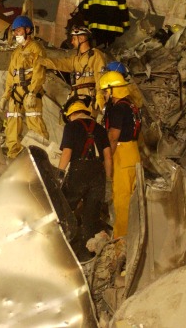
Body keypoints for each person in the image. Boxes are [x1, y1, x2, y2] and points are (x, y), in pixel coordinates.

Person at [58, 98, 112, 261]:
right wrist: (108, 180)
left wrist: (59, 173)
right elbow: (108, 157)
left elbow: (67, 153)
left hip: (78, 172)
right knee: (91, 217)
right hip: (98, 173)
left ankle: (62, 249)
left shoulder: (71, 127)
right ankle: (88, 256)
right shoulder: (101, 129)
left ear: (71, 114)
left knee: (64, 209)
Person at [98, 71, 142, 239]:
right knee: (133, 199)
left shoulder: (118, 109)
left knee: (122, 201)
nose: (104, 94)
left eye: (105, 91)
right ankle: (135, 235)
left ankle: (121, 240)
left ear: (113, 89)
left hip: (122, 156)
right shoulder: (131, 106)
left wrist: (106, 160)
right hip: (133, 153)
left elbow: (113, 137)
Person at [0, 15, 48, 159]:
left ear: (28, 30)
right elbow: (10, 75)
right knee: (12, 126)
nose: (16, 34)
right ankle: (13, 156)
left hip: (30, 92)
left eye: (19, 30)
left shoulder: (36, 49)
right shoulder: (16, 52)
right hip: (16, 93)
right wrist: (5, 96)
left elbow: (39, 72)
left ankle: (41, 156)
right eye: (15, 31)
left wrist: (33, 93)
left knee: (35, 124)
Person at [39, 26, 108, 114]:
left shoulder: (96, 55)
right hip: (76, 97)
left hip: (90, 98)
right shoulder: (76, 58)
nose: (72, 42)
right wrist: (41, 61)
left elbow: (100, 77)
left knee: (86, 124)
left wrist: (100, 95)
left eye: (74, 39)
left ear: (82, 38)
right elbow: (60, 63)